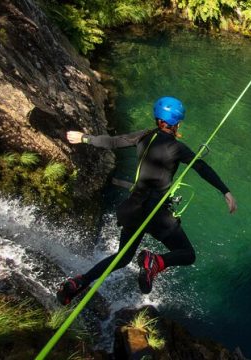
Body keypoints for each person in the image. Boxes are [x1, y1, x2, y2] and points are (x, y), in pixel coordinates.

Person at [57, 96, 237, 305]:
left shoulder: (143, 136)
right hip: (157, 214)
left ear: (157, 119)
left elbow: (113, 142)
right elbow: (201, 168)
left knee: (122, 258)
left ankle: (79, 282)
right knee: (187, 254)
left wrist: (84, 138)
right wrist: (225, 191)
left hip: (134, 208)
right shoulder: (178, 148)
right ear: (177, 123)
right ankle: (156, 261)